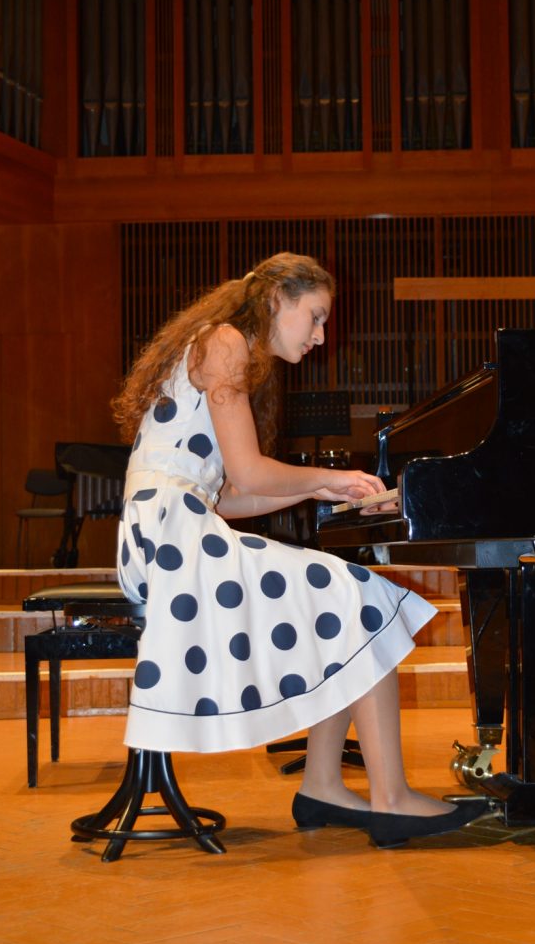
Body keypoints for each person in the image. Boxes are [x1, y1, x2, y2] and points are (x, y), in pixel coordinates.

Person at [111, 252, 487, 848]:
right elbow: (249, 474)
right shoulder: (225, 341)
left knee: (340, 604)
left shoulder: (221, 345)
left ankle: (323, 787)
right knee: (362, 600)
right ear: (276, 300)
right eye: (315, 316)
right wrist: (325, 479)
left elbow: (229, 497)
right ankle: (389, 799)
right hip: (171, 537)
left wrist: (323, 493)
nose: (320, 336)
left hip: (166, 532)